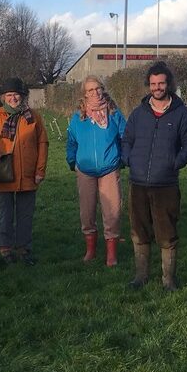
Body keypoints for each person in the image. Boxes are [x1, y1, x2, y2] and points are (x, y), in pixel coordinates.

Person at [121, 62, 187, 290]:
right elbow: (126, 140)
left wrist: (174, 162)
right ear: (149, 85)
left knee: (167, 234)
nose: (157, 88)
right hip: (137, 183)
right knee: (139, 232)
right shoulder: (138, 114)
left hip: (165, 184)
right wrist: (129, 159)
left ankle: (168, 280)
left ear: (169, 84)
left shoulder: (182, 114)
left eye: (161, 83)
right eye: (153, 84)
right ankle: (141, 276)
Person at [0, 77, 49, 265]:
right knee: (6, 214)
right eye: (9, 95)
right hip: (4, 173)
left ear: (23, 96)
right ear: (3, 97)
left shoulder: (34, 117)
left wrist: (40, 170)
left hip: (28, 174)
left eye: (16, 94)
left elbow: (43, 143)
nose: (13, 98)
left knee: (25, 215)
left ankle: (23, 248)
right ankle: (5, 249)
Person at [66, 76, 127, 267]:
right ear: (84, 94)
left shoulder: (114, 114)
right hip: (85, 170)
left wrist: (123, 159)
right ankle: (90, 250)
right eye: (90, 90)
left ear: (103, 90)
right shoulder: (78, 118)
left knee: (112, 212)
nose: (95, 93)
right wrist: (72, 161)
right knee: (87, 212)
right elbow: (71, 142)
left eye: (98, 88)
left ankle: (111, 254)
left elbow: (126, 138)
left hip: (109, 168)